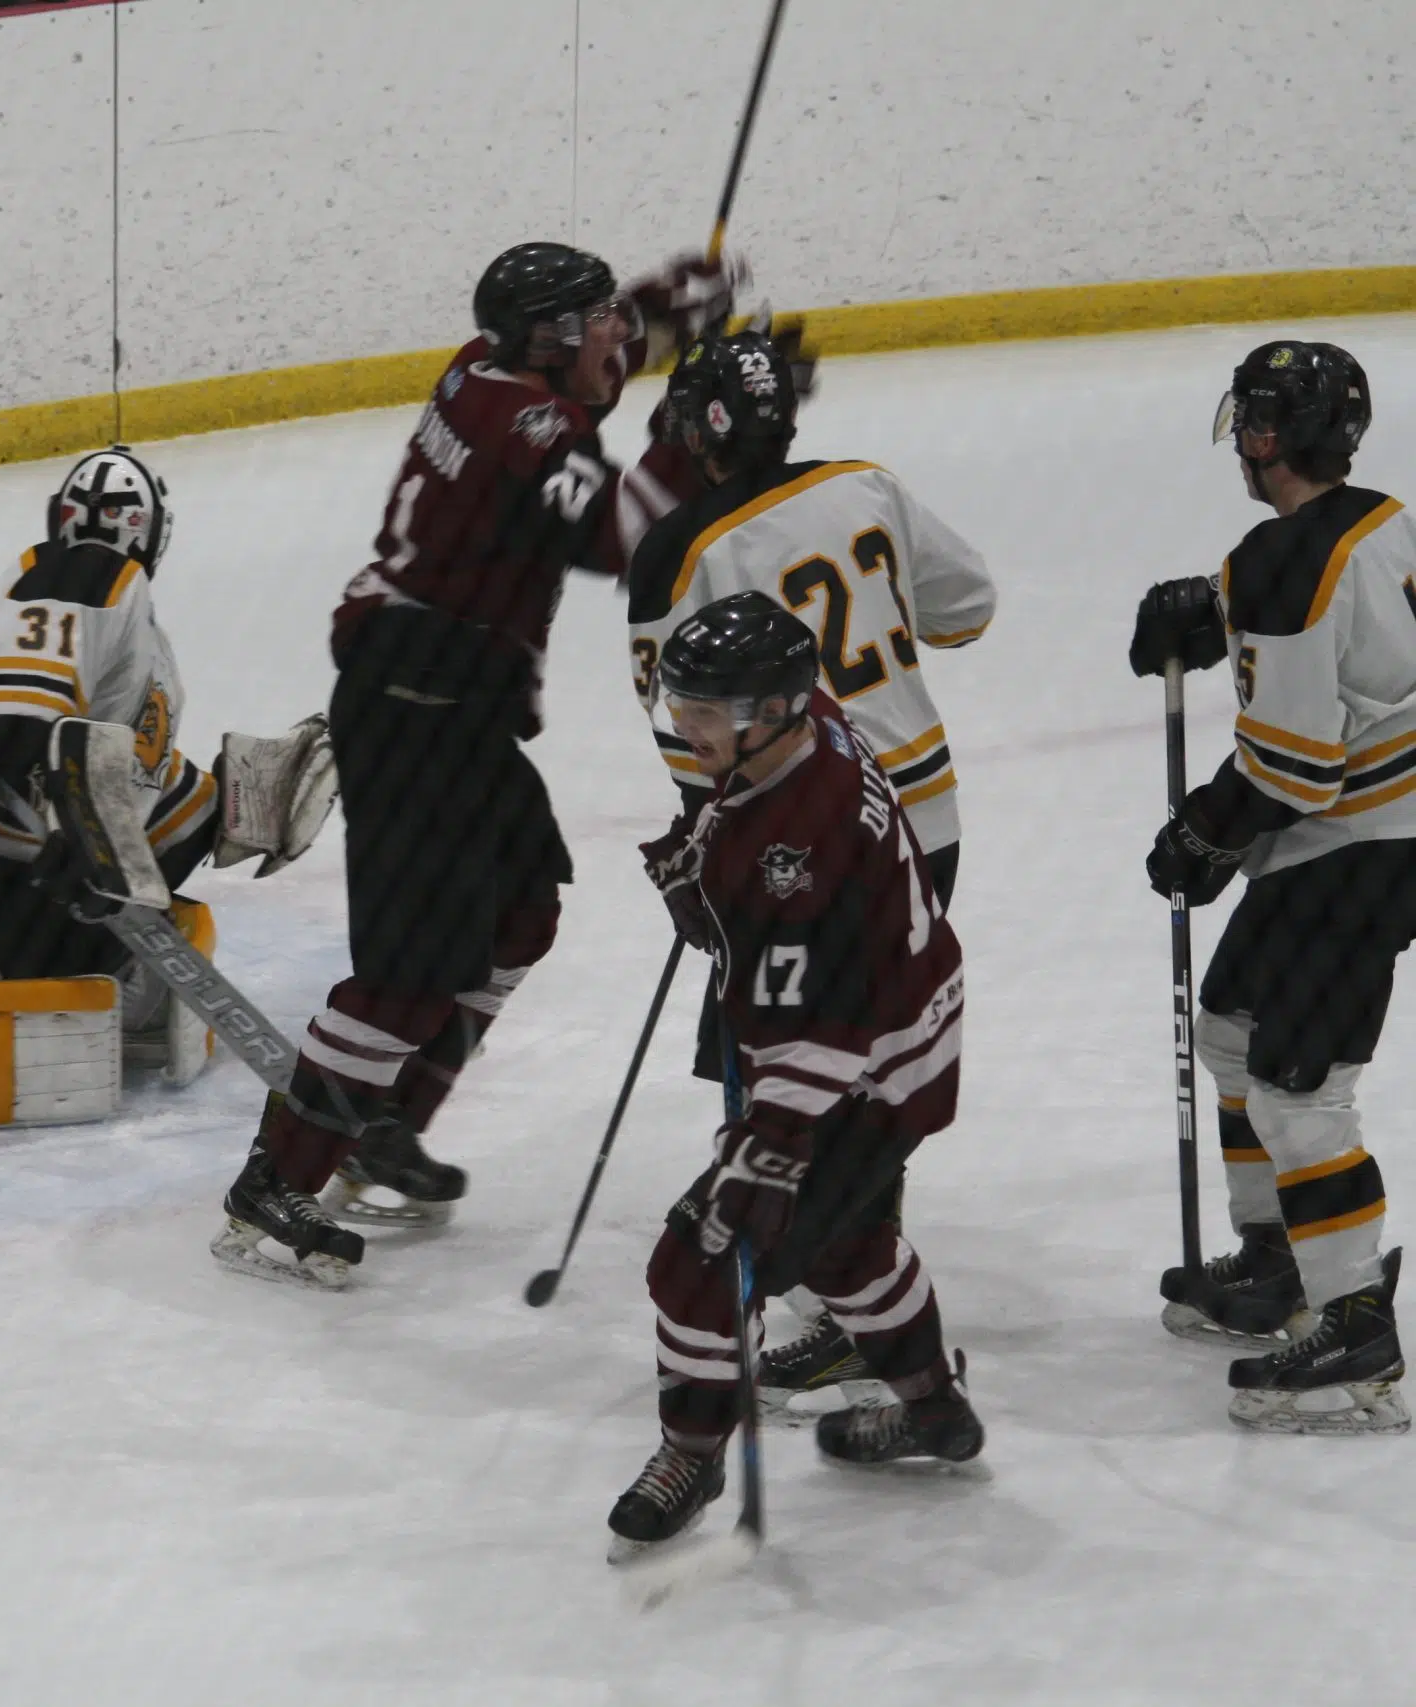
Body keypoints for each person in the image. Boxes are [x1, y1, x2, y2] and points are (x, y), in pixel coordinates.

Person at [211, 239, 743, 1289]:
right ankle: (274, 1180)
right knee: (405, 977)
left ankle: (383, 1125)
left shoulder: (488, 371)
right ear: (549, 340)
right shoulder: (523, 424)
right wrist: (691, 429)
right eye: (595, 322)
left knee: (518, 913)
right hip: (415, 711)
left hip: (448, 709)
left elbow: (576, 392)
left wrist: (651, 313)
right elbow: (624, 534)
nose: (612, 339)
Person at [626, 327, 997, 1413]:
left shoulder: (675, 553)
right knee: (865, 1063)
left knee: (786, 1049)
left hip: (789, 837)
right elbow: (967, 608)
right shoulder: (864, 485)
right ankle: (856, 1275)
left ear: (703, 430)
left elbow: (684, 743)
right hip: (917, 817)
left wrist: (708, 864)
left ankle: (835, 1277)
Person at [609, 592, 980, 1558]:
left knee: (695, 1265)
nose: (682, 726)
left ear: (767, 712)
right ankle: (937, 1410)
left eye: (701, 712)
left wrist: (768, 1155)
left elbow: (816, 1029)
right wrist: (706, 875)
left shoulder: (791, 851)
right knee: (847, 1252)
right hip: (909, 1037)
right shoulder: (811, 725)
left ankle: (690, 1454)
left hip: (858, 1076)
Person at [1132, 339, 1416, 1436]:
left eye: (1249, 424)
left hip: (1360, 849)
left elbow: (1294, 764)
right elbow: (1340, 617)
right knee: (1231, 1030)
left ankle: (1354, 1324)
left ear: (1267, 435)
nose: (1241, 446)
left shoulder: (1288, 563)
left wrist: (1204, 834)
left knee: (1300, 1089)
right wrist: (1211, 605)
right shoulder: (1378, 516)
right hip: (1355, 839)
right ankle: (1278, 1255)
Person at [0, 444, 333, 990]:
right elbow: (9, 723)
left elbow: (128, 775)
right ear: (153, 534)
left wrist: (230, 806)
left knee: (127, 881)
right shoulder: (77, 577)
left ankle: (4, 975)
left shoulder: (146, 650)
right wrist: (77, 825)